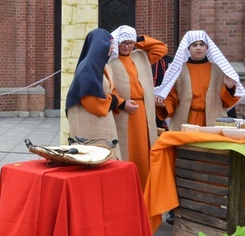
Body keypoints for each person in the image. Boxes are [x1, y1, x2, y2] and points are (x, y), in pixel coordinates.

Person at [107, 26, 168, 187]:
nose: (127, 47)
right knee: (129, 150)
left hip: (145, 110)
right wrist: (122, 103)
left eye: (130, 43)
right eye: (123, 43)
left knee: (145, 150)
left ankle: (146, 188)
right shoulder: (110, 61)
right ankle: (129, 187)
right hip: (125, 112)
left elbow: (161, 48)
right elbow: (107, 87)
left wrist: (138, 39)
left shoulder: (141, 56)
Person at [154, 30, 245, 130]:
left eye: (202, 44)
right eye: (194, 45)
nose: (198, 48)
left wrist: (229, 88)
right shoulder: (178, 70)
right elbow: (172, 97)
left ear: (207, 47)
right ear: (188, 48)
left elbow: (226, 103)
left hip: (212, 122)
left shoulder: (219, 71)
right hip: (185, 122)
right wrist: (163, 105)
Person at [65, 28, 132, 159]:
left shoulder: (105, 67)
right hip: (89, 123)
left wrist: (117, 101)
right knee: (94, 158)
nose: (112, 48)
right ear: (99, 45)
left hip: (103, 121)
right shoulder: (87, 67)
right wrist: (113, 100)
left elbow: (111, 91)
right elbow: (92, 101)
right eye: (109, 44)